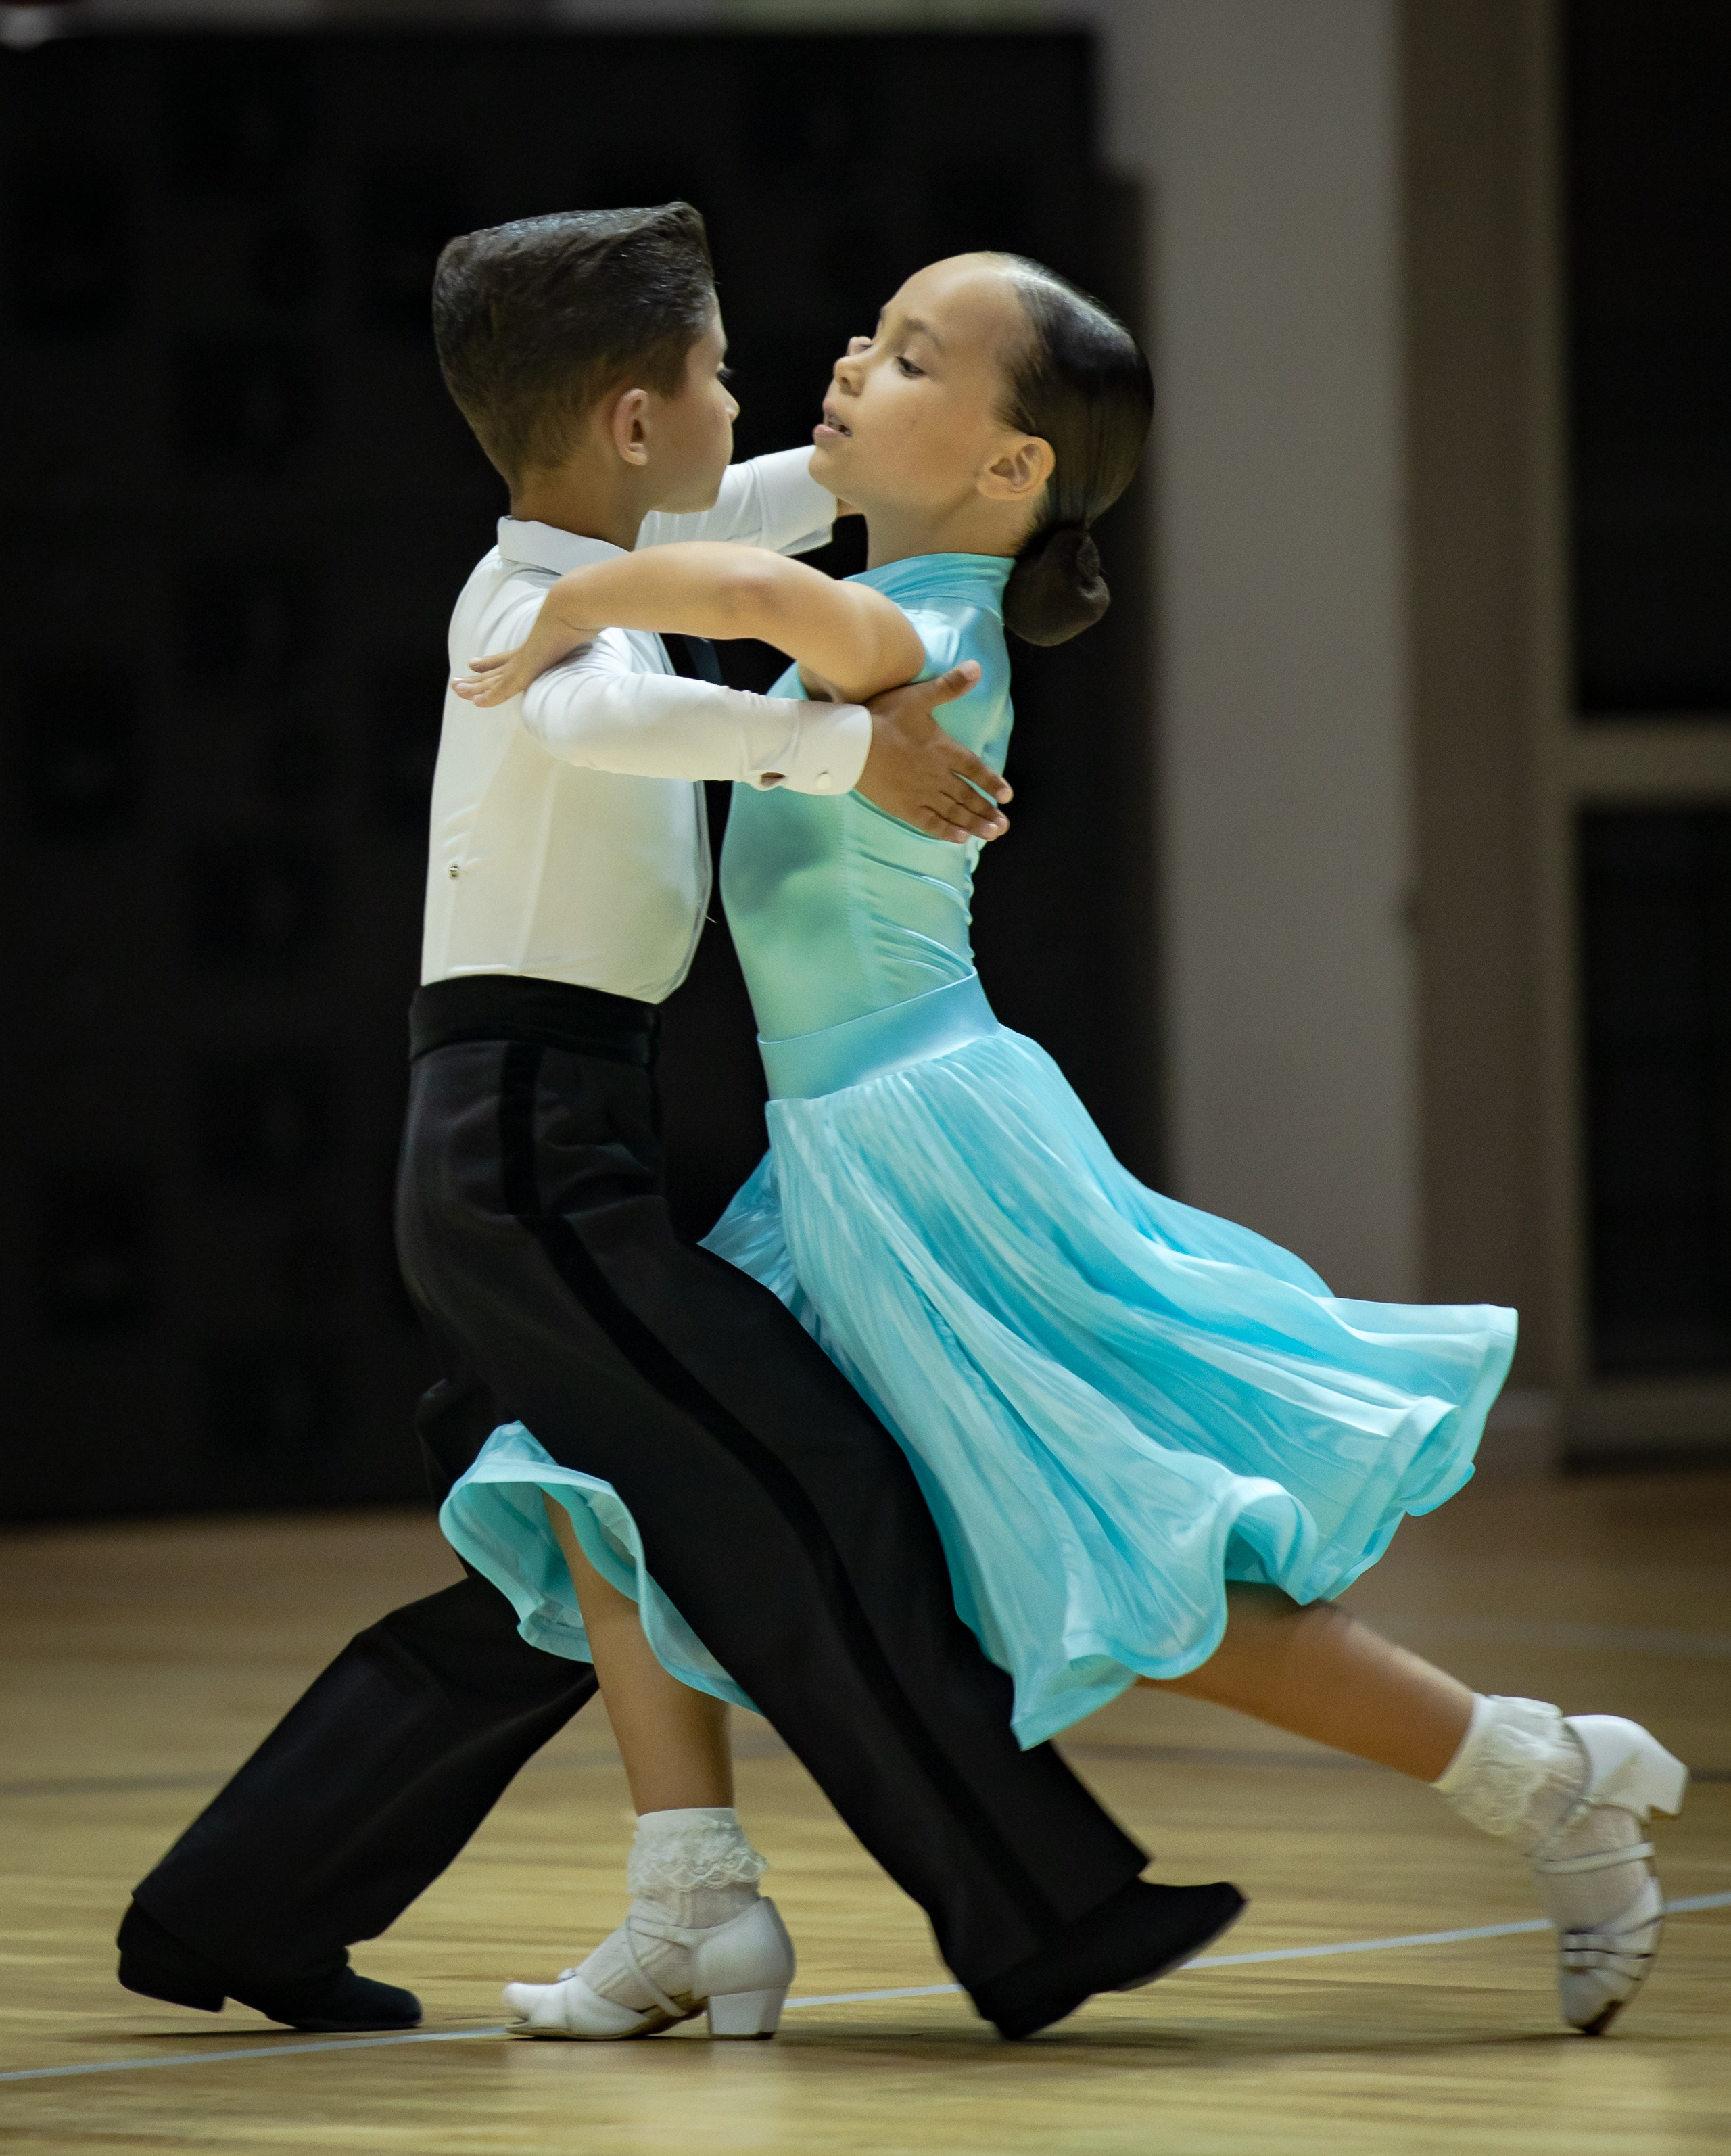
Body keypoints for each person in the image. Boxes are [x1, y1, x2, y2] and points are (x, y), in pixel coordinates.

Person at [458, 250, 1690, 2040]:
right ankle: (691, 1900)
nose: (853, 361)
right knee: (612, 1476)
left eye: (908, 354)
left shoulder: (935, 636)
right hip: (836, 1170)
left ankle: (1541, 1777)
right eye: (869, 332)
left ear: (1012, 468)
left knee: (1143, 1569)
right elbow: (753, 553)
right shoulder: (894, 601)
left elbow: (739, 579)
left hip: (939, 1162)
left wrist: (561, 594)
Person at [116, 207, 1244, 2049]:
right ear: (640, 422)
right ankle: (1044, 1913)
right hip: (516, 1156)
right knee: (806, 1490)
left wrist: (934, 467)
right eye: (722, 371)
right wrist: (840, 748)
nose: (767, 398)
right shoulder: (526, 603)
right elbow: (606, 718)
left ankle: (234, 1909)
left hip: (551, 1146)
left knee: (560, 1556)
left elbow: (822, 498)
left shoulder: (649, 539)